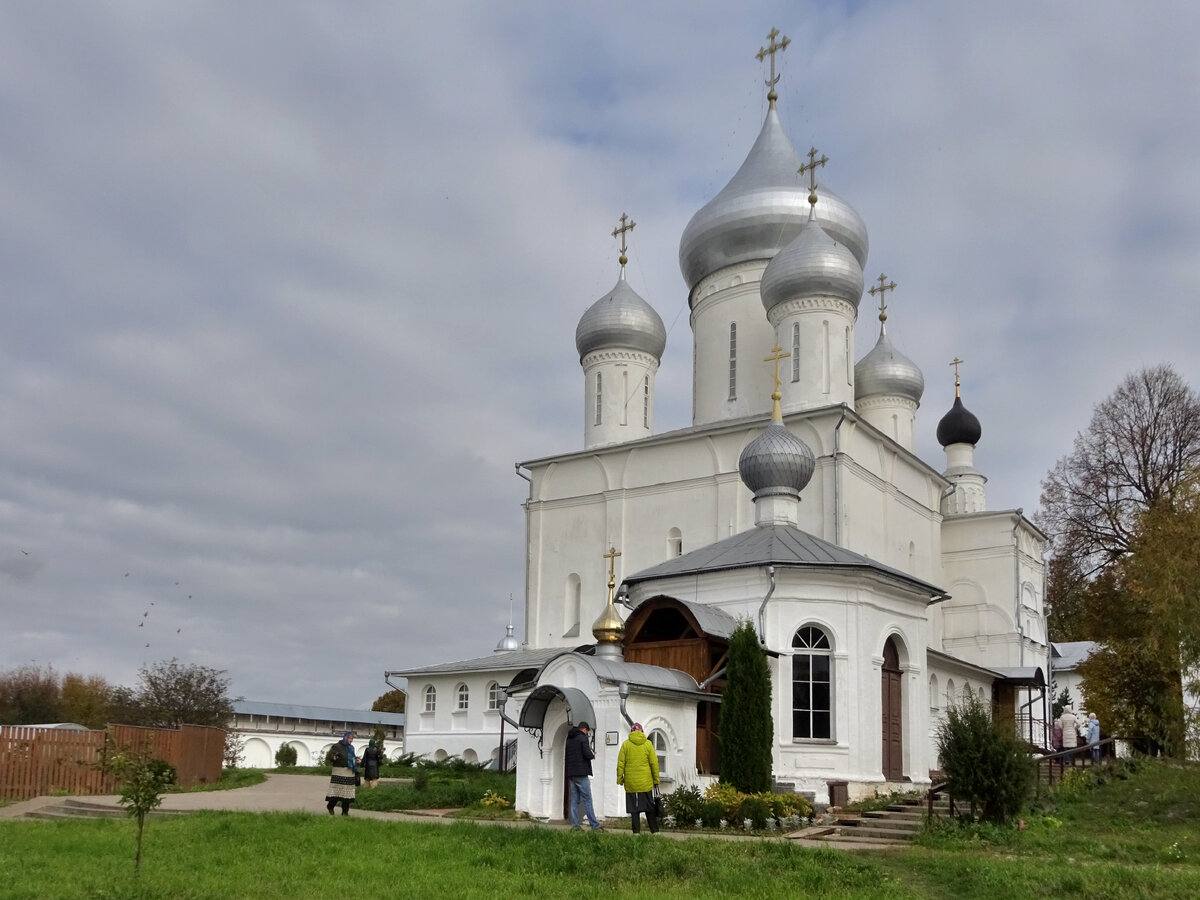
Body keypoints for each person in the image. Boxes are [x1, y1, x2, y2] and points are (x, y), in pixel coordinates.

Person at [616, 722, 659, 834]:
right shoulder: (648, 744)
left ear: (631, 732)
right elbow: (654, 763)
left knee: (634, 809)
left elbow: (621, 763)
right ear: (642, 732)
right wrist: (656, 780)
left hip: (631, 783)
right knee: (649, 807)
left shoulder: (626, 745)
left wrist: (620, 779)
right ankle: (655, 831)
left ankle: (636, 833)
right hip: (646, 782)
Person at [565, 720, 602, 830]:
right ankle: (595, 825)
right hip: (581, 773)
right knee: (588, 799)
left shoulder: (569, 739)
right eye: (587, 732)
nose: (586, 733)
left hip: (571, 773)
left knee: (574, 800)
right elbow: (586, 753)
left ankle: (575, 826)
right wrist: (592, 755)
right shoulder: (582, 738)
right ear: (585, 729)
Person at [325, 731, 358, 815]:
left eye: (352, 738)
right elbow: (330, 756)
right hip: (339, 772)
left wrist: (356, 761)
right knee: (337, 792)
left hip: (350, 772)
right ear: (345, 738)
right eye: (350, 738)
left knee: (347, 794)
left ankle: (345, 812)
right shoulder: (337, 746)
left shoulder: (351, 748)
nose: (351, 740)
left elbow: (352, 757)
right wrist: (334, 757)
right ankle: (330, 806)